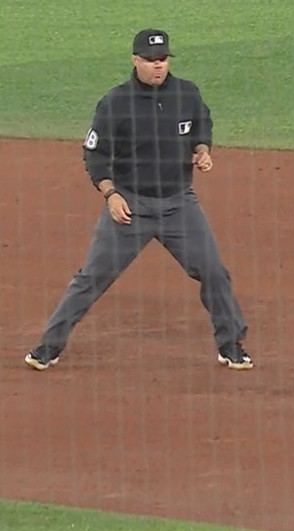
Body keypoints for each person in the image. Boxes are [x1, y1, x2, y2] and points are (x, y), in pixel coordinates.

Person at [23, 29, 252, 371]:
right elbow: (95, 156)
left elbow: (202, 126)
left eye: (163, 60)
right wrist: (110, 194)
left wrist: (202, 151)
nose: (158, 66)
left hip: (179, 205)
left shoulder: (186, 93)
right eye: (151, 60)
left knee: (214, 271)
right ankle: (49, 346)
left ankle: (230, 344)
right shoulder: (115, 103)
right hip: (130, 208)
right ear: (135, 61)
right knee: (91, 278)